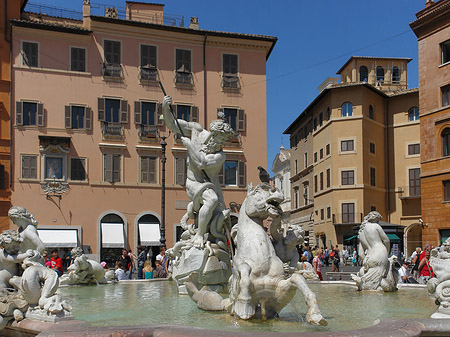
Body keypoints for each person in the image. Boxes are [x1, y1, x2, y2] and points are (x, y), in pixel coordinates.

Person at [162, 96, 235, 249]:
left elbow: (201, 162)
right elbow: (172, 124)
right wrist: (165, 108)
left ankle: (203, 234)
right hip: (193, 183)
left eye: (224, 142)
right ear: (213, 134)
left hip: (211, 185)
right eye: (221, 140)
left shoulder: (220, 155)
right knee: (211, 200)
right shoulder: (196, 130)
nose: (221, 144)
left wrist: (189, 146)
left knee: (217, 213)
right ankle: (199, 235)